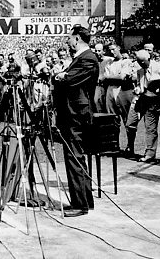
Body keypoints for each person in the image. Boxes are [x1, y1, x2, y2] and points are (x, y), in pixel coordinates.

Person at [53, 25, 98, 217]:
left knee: (74, 157)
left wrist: (62, 76)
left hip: (76, 115)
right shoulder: (81, 59)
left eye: (69, 38)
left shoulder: (88, 58)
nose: (67, 41)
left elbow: (71, 81)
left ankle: (80, 204)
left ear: (77, 38)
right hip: (72, 114)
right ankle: (85, 200)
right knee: (76, 157)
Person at [134, 49, 160, 163]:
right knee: (150, 129)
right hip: (148, 102)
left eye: (142, 62)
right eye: (139, 62)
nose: (141, 64)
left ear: (149, 59)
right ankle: (150, 153)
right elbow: (139, 85)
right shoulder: (140, 71)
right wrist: (138, 89)